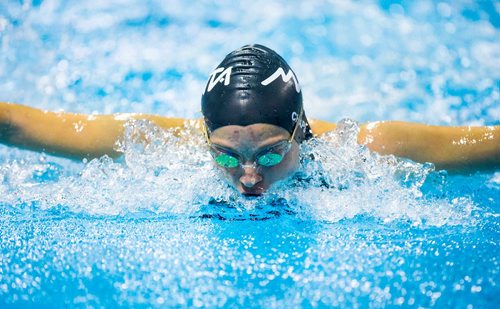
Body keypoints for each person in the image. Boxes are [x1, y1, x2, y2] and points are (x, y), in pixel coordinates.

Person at [0, 44, 498, 195]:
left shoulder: (364, 151)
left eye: (272, 152)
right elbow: (22, 126)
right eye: (226, 155)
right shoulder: (163, 143)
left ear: (301, 130)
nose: (249, 177)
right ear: (205, 136)